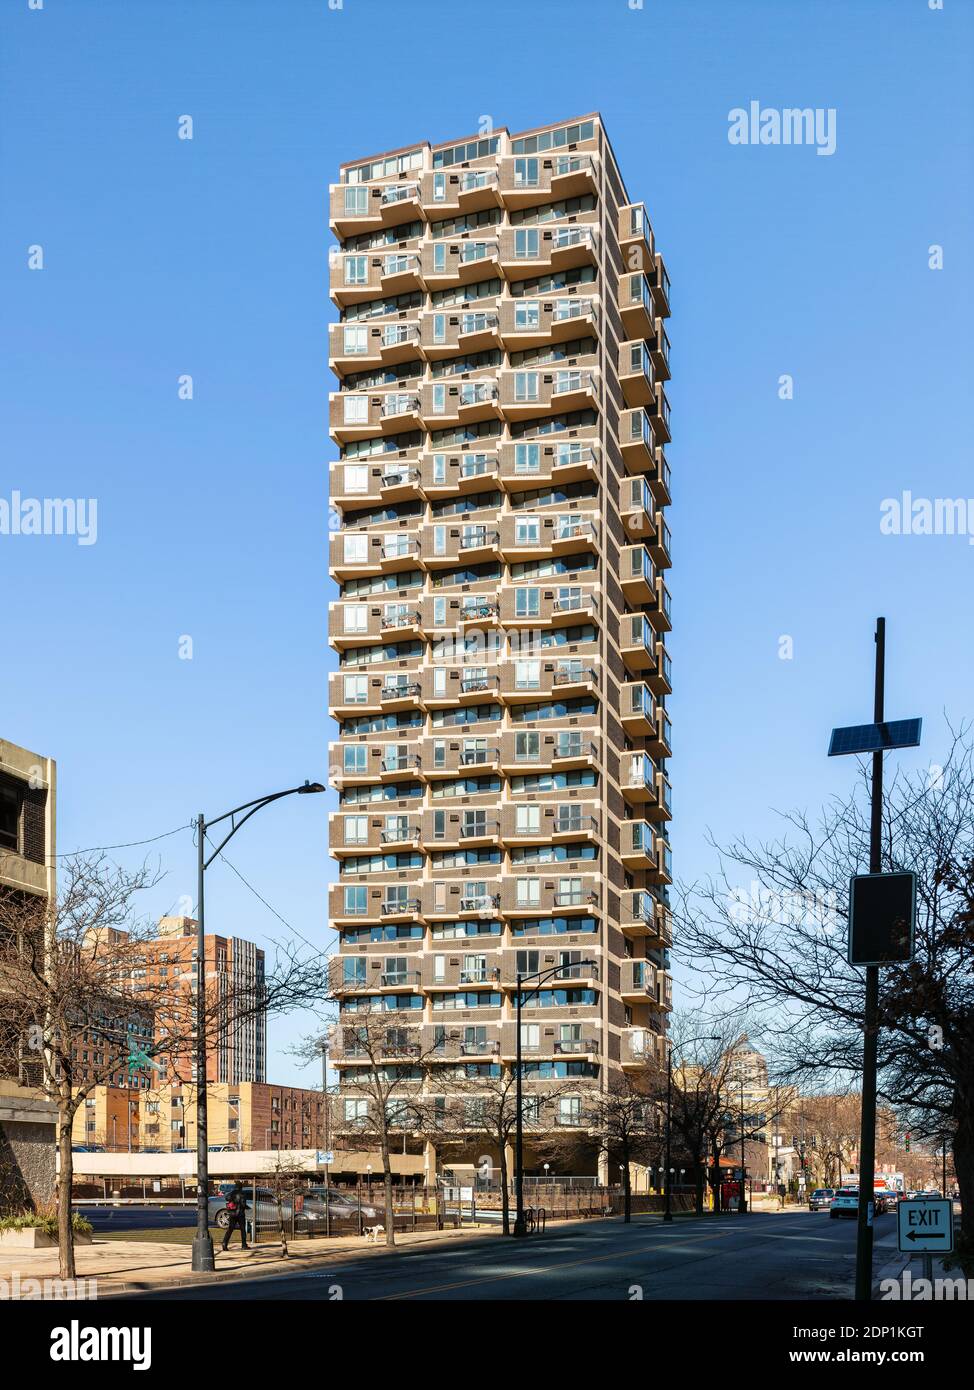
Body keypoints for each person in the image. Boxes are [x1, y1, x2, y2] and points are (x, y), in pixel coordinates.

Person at [220, 1183, 249, 1252]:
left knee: (230, 1229)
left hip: (232, 1213)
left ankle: (224, 1243)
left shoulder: (231, 1193)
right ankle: (244, 1245)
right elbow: (243, 1204)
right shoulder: (242, 1194)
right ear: (241, 1187)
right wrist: (246, 1207)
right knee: (242, 1230)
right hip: (240, 1214)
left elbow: (226, 1198)